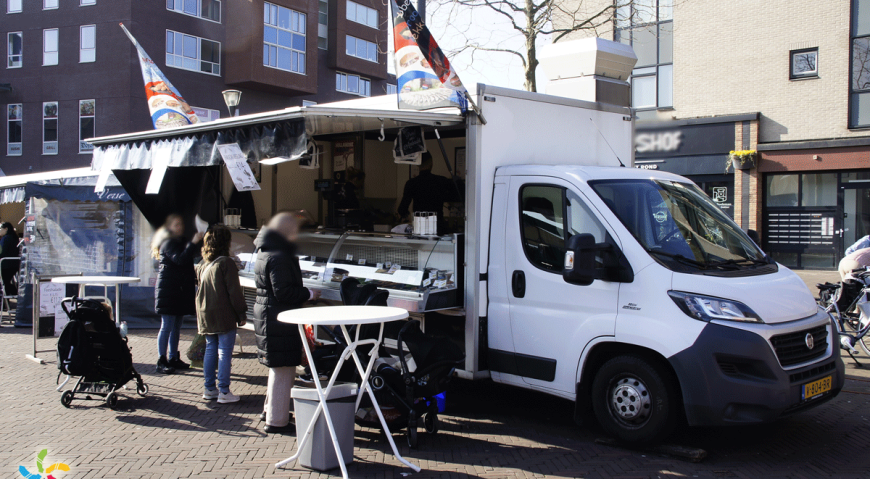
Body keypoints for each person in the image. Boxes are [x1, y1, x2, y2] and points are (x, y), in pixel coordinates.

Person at [253, 212, 321, 433]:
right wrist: (309, 293)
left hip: (270, 316)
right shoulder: (279, 256)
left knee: (278, 368)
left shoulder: (266, 250)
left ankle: (270, 411)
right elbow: (283, 292)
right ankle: (276, 421)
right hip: (279, 318)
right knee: (283, 369)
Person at [196, 225, 247, 404]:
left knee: (211, 349)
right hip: (223, 312)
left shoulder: (203, 263)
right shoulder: (226, 263)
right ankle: (224, 391)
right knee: (225, 353)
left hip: (205, 312)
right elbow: (234, 292)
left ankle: (209, 388)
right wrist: (241, 313)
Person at [151, 214, 203, 374]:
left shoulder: (179, 242)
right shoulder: (168, 243)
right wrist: (194, 242)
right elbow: (180, 260)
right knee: (167, 326)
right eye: (176, 225)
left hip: (177, 290)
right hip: (169, 290)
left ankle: (173, 357)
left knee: (176, 326)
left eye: (180, 224)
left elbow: (188, 258)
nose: (179, 227)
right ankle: (162, 359)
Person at [397, 152, 462, 231]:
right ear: (431, 163)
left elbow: (402, 209)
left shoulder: (411, 183)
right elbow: (458, 194)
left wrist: (406, 216)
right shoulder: (441, 181)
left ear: (417, 164)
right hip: (437, 227)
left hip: (420, 228)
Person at [0, 222, 20, 296]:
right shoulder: (14, 237)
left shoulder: (6, 238)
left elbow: (2, 252)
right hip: (14, 265)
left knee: (5, 283)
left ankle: (14, 295)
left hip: (6, 265)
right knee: (6, 282)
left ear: (6, 229)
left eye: (0, 229)